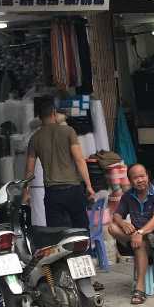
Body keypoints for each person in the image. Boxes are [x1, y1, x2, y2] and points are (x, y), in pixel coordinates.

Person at [108, 163, 154, 305]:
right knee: (112, 227)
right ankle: (137, 241)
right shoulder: (128, 196)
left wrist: (141, 232)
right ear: (130, 181)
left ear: (148, 177)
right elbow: (117, 215)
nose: (140, 180)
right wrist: (123, 223)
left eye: (142, 176)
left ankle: (140, 288)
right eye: (135, 178)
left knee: (141, 242)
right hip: (137, 237)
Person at [25, 97, 95, 228]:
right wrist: (89, 185)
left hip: (52, 194)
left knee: (56, 235)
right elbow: (79, 159)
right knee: (81, 232)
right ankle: (84, 249)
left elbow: (29, 170)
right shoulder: (68, 131)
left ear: (39, 117)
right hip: (73, 190)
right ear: (54, 113)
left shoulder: (34, 139)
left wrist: (26, 193)